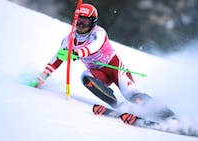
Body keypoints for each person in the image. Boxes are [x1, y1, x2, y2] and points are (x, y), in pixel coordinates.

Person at [28, 3, 174, 119]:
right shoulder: (69, 39)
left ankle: (168, 115)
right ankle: (120, 106)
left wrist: (76, 52)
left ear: (93, 23)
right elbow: (58, 57)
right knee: (86, 77)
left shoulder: (99, 33)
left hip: (116, 70)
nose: (81, 26)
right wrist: (43, 76)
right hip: (99, 74)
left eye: (85, 23)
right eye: (78, 21)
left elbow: (93, 47)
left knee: (134, 96)